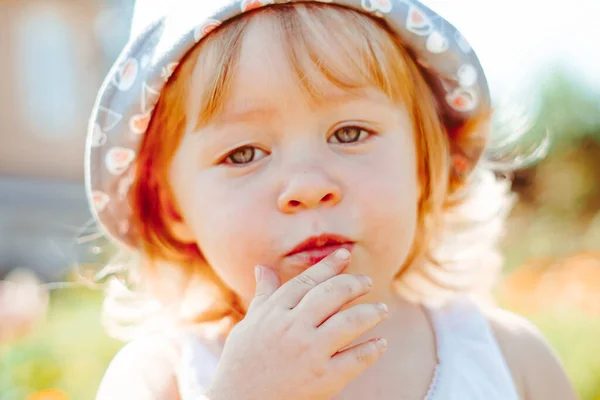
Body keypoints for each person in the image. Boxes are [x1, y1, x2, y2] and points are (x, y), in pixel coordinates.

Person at [87, 1, 577, 399]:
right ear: (173, 209)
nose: (307, 185)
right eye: (243, 153)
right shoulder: (161, 378)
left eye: (350, 132)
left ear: (424, 169)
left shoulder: (510, 359)